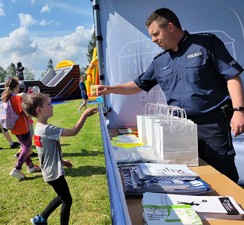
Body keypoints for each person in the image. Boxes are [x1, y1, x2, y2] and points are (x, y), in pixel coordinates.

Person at [96, 8, 244, 183]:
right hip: (178, 130)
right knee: (187, 178)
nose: (153, 39)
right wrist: (110, 89)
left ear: (171, 27)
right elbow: (138, 84)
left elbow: (232, 77)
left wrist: (239, 111)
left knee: (224, 177)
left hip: (211, 126)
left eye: (156, 34)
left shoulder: (206, 44)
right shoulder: (160, 61)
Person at [21, 92, 98, 225]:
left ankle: (40, 219)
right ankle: (43, 219)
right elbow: (74, 132)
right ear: (39, 110)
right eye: (49, 104)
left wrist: (62, 161)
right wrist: (84, 115)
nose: (52, 106)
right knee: (67, 200)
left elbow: (46, 153)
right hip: (54, 173)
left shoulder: (39, 128)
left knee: (62, 196)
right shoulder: (47, 129)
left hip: (49, 170)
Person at [1, 77, 41, 179]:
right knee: (27, 148)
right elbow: (26, 113)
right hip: (22, 126)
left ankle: (30, 167)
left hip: (14, 127)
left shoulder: (6, 98)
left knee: (24, 146)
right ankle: (17, 169)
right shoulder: (18, 98)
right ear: (16, 87)